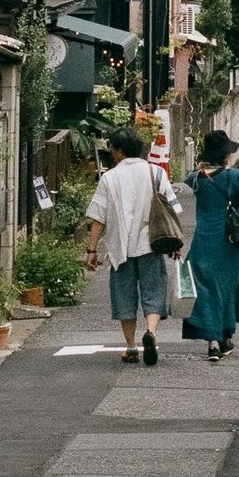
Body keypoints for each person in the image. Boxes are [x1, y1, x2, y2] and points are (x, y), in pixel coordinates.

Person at [85, 125, 184, 364]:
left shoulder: (109, 178)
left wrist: (91, 249)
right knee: (154, 291)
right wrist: (176, 241)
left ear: (118, 151)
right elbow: (172, 209)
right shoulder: (156, 173)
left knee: (124, 297)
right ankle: (150, 332)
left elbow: (98, 217)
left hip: (121, 250)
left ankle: (131, 347)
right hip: (152, 244)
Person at [182, 129, 239, 362]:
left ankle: (214, 342)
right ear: (225, 154)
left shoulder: (195, 178)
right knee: (228, 288)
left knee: (206, 290)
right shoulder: (234, 177)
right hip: (229, 243)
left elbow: (188, 177)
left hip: (203, 242)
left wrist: (201, 165)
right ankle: (225, 337)